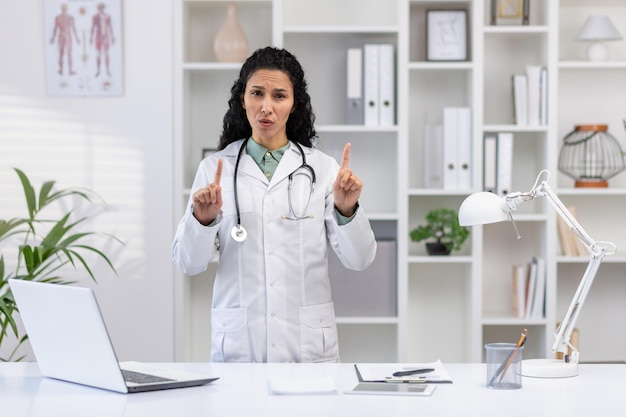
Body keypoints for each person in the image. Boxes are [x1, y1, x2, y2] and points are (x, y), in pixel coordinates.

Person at [172, 46, 377, 363]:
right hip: (241, 347)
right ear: (243, 99)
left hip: (306, 347)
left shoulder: (322, 169)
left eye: (279, 96)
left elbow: (359, 259)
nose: (266, 107)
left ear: (294, 104)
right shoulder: (215, 169)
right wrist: (202, 220)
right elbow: (189, 263)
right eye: (257, 93)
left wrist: (347, 210)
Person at [50, 3, 80, 76]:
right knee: (61, 54)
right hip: (61, 37)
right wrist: (53, 37)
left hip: (68, 37)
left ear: (67, 9)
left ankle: (70, 70)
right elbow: (55, 28)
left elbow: (74, 28)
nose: (64, 10)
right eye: (63, 8)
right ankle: (61, 70)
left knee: (69, 54)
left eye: (65, 8)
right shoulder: (58, 18)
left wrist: (77, 38)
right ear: (61, 9)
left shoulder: (71, 18)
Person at [90, 3, 115, 77]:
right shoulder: (95, 17)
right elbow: (92, 27)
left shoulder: (107, 17)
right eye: (99, 8)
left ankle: (107, 70)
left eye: (102, 8)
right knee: (98, 54)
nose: (100, 9)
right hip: (98, 37)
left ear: (103, 8)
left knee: (106, 54)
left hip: (105, 37)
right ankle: (98, 71)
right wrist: (91, 37)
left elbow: (110, 27)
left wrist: (112, 37)